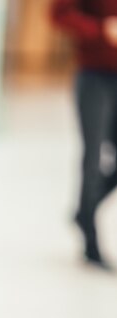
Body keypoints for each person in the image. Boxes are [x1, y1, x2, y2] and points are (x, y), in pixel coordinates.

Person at [51, 0, 117, 268]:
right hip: (93, 77)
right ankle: (91, 244)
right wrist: (101, 29)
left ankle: (84, 211)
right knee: (93, 156)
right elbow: (59, 15)